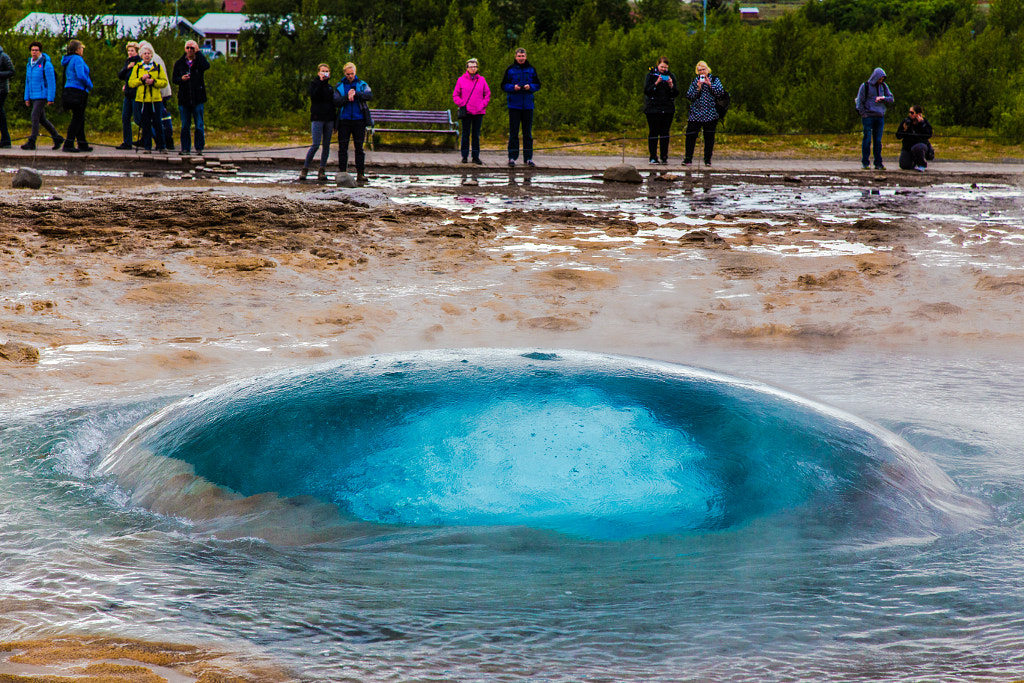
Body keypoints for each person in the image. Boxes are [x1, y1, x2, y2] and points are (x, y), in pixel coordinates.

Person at [501, 47, 540, 167]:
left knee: (527, 133)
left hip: (528, 105)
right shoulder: (510, 70)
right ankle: (512, 157)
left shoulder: (531, 69)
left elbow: (538, 84)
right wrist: (513, 88)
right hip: (514, 105)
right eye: (519, 56)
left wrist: (531, 87)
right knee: (514, 133)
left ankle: (528, 158)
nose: (521, 58)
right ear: (515, 57)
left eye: (523, 56)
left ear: (526, 57)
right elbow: (503, 85)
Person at [21, 42, 63, 151]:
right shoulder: (29, 64)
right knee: (42, 119)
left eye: (36, 50)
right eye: (32, 50)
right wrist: (27, 97)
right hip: (33, 95)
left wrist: (50, 98)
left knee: (34, 116)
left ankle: (32, 141)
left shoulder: (46, 64)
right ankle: (57, 137)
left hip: (42, 95)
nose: (34, 52)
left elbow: (51, 82)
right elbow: (27, 81)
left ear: (40, 51)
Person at [335, 62, 372, 184]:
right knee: (343, 148)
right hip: (344, 120)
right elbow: (336, 101)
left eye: (352, 74)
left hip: (359, 120)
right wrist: (347, 96)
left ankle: (360, 173)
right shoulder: (340, 86)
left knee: (359, 148)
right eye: (348, 74)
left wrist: (356, 94)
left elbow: (369, 95)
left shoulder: (362, 84)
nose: (350, 76)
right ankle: (342, 172)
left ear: (355, 73)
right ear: (344, 74)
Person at [172, 40, 210, 155]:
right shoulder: (179, 63)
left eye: (192, 48)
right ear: (185, 49)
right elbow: (174, 79)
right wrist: (181, 79)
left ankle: (199, 148)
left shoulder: (199, 62)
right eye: (188, 48)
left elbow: (206, 66)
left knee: (199, 124)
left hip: (198, 98)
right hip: (184, 99)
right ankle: (185, 148)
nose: (190, 50)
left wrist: (198, 52)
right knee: (185, 125)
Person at [683, 60, 724, 166]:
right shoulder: (695, 81)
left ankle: (707, 160)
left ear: (707, 69)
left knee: (709, 138)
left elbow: (720, 93)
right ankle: (688, 158)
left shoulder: (715, 79)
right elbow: (689, 96)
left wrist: (710, 85)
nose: (702, 72)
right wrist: (698, 87)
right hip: (695, 114)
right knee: (690, 137)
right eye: (699, 70)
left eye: (703, 69)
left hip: (711, 114)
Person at [128, 45, 168, 152]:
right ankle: (147, 146)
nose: (147, 55)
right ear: (141, 55)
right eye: (145, 53)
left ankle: (161, 146)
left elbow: (164, 82)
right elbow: (131, 83)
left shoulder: (157, 67)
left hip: (155, 100)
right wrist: (141, 80)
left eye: (149, 53)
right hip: (142, 99)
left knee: (158, 123)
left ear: (151, 55)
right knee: (145, 123)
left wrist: (154, 82)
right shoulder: (138, 67)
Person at [452, 58, 491, 165]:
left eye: (474, 66)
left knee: (476, 135)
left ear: (477, 68)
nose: (473, 69)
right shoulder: (461, 80)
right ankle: (464, 156)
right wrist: (462, 104)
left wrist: (482, 105)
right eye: (471, 67)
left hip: (478, 111)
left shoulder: (482, 80)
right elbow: (455, 95)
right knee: (465, 134)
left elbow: (487, 94)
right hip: (466, 112)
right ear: (467, 68)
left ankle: (475, 156)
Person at [302, 63, 335, 182]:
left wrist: (335, 121)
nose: (325, 73)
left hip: (329, 119)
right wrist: (321, 82)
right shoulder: (314, 84)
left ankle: (322, 169)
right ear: (318, 72)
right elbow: (314, 96)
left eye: (327, 71)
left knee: (326, 145)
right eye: (323, 71)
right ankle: (305, 168)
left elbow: (333, 104)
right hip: (317, 118)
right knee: (315, 144)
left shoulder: (330, 88)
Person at [855, 67, 893, 170]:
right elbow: (859, 101)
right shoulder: (865, 86)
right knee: (867, 140)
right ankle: (865, 163)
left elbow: (891, 98)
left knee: (878, 141)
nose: (881, 81)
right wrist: (864, 114)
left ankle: (878, 163)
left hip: (879, 117)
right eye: (880, 79)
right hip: (869, 116)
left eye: (882, 79)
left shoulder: (883, 86)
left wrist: (883, 98)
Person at [138, 41, 174, 150]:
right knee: (150, 120)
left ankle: (163, 142)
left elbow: (161, 79)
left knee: (158, 120)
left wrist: (153, 83)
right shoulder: (143, 64)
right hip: (150, 96)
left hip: (158, 95)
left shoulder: (155, 61)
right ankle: (147, 141)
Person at [643, 56, 678, 165]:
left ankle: (664, 156)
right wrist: (656, 82)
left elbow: (676, 93)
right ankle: (653, 156)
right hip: (653, 109)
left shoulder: (671, 76)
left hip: (667, 109)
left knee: (665, 133)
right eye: (662, 67)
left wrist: (671, 85)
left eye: (665, 67)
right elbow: (647, 91)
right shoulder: (650, 76)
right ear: (658, 65)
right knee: (653, 132)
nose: (663, 69)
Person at [60, 40, 93, 153]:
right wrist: (89, 84)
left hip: (69, 89)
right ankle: (68, 143)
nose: (82, 50)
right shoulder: (77, 59)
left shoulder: (68, 60)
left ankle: (82, 143)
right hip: (78, 91)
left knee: (80, 117)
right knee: (78, 117)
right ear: (77, 49)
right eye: (82, 48)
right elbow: (81, 75)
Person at [116, 42, 142, 150]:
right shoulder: (128, 62)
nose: (130, 53)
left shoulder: (139, 62)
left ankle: (157, 137)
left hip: (136, 94)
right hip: (128, 93)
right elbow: (121, 75)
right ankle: (127, 142)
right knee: (125, 117)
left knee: (138, 119)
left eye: (132, 51)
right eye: (129, 51)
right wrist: (127, 68)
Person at [895, 104, 933, 172]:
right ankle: (912, 162)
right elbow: (898, 136)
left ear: (918, 114)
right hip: (908, 147)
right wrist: (904, 129)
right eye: (909, 112)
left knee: (918, 148)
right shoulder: (906, 122)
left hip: (920, 146)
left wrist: (921, 124)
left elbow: (929, 134)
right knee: (904, 165)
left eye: (912, 113)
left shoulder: (924, 122)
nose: (910, 114)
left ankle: (921, 164)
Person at [0, 43, 14, 148]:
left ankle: (6, 139)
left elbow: (11, 71)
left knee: (1, 113)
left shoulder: (4, 56)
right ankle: (5, 139)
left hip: (2, 89)